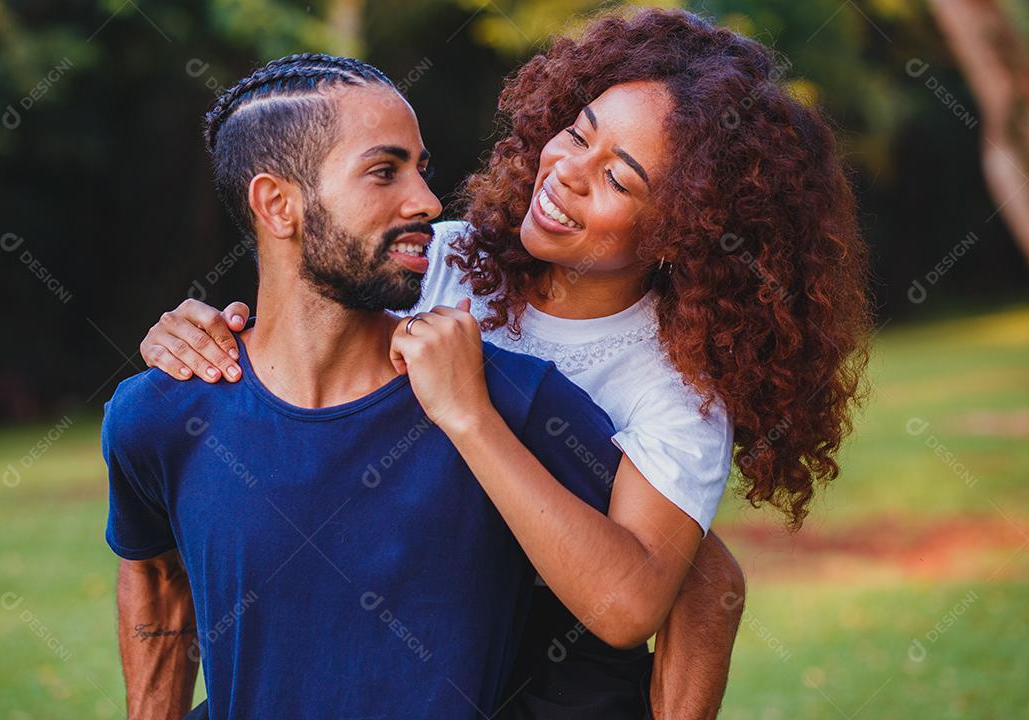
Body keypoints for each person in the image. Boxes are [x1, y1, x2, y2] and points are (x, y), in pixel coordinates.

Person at [138, 8, 872, 719]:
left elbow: (663, 596)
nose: (567, 173)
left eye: (620, 180)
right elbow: (308, 313)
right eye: (577, 134)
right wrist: (198, 333)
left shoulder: (677, 384)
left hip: (546, 675)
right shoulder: (443, 260)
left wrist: (470, 415)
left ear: (686, 231)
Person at [105, 53, 640, 720]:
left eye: (420, 170)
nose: (425, 201)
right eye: (385, 172)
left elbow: (671, 581)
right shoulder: (159, 414)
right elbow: (156, 580)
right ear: (278, 204)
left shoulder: (507, 400)